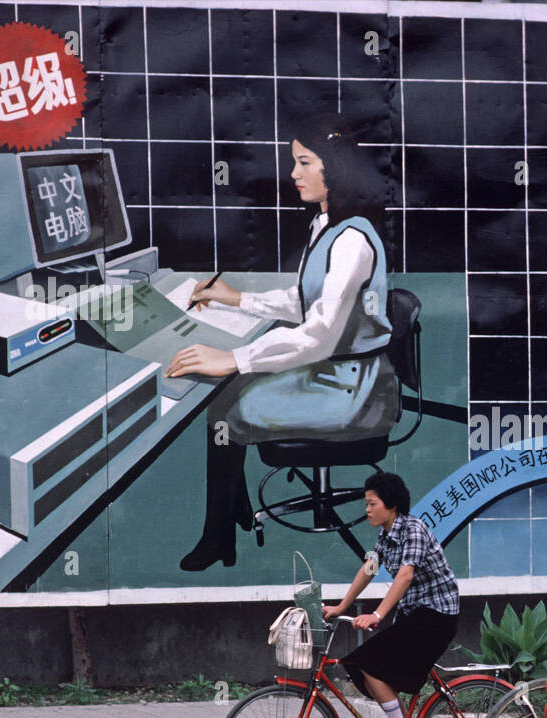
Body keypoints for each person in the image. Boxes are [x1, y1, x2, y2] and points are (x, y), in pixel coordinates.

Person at [166, 114, 398, 570]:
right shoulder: (326, 224)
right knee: (224, 400)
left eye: (304, 163)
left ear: (333, 167)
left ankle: (219, 537)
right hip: (337, 372)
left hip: (357, 390)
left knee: (229, 409)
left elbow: (317, 336)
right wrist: (237, 299)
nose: (293, 173)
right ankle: (228, 513)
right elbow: (303, 301)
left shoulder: (351, 239)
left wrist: (234, 357)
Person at [322, 471, 459, 718]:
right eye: (366, 504)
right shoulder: (385, 537)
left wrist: (377, 615)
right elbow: (368, 570)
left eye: (372, 503)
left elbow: (405, 575)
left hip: (437, 615)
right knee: (366, 666)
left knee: (369, 661)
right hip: (415, 614)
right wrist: (340, 607)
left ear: (391, 505)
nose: (367, 510)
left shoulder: (413, 530)